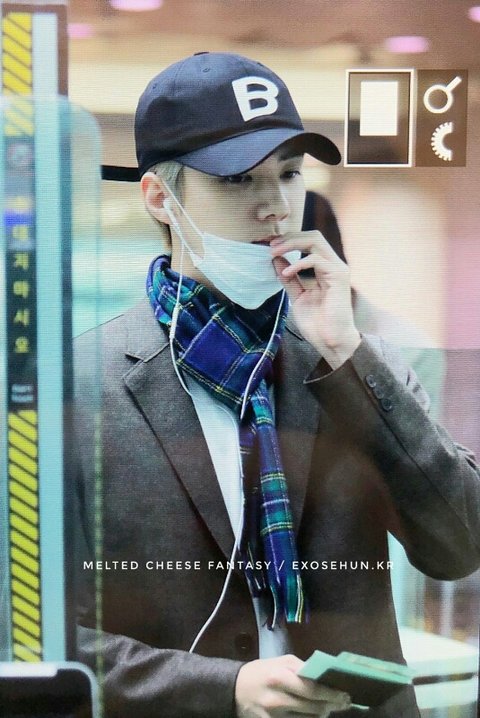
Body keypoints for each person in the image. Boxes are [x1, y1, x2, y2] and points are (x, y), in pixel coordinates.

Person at [74, 52, 480, 718]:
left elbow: (458, 545)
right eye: (238, 180)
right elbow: (40, 636)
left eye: (289, 174)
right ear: (160, 197)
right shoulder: (84, 382)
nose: (275, 207)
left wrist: (344, 352)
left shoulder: (355, 360)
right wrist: (222, 689)